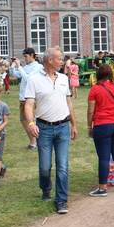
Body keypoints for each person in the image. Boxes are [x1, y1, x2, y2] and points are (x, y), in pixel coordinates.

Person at [25, 48, 77, 214]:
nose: (62, 62)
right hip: (44, 128)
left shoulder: (63, 78)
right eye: (59, 59)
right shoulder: (34, 80)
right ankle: (46, 188)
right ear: (50, 60)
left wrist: (74, 125)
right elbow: (28, 105)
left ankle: (61, 200)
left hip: (62, 127)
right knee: (45, 166)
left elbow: (68, 103)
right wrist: (31, 123)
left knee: (62, 166)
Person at [87, 63, 114, 197]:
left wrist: (89, 126)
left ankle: (102, 187)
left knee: (104, 157)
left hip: (102, 124)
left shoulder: (95, 89)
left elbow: (90, 111)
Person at [12, 48, 43, 150]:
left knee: (31, 120)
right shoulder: (26, 67)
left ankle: (35, 142)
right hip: (23, 96)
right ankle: (32, 141)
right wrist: (13, 66)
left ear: (31, 55)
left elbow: (28, 79)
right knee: (23, 120)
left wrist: (19, 66)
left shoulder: (38, 67)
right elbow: (15, 75)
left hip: (31, 97)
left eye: (26, 56)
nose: (24, 58)